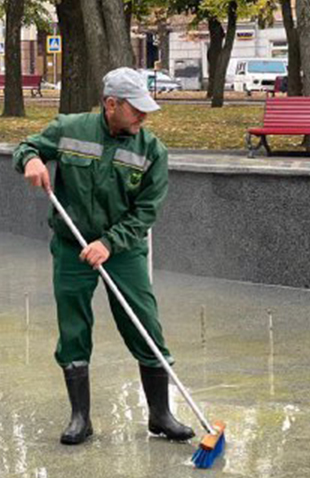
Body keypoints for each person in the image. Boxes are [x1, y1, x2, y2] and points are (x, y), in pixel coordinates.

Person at [13, 67, 193, 446]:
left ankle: (160, 414)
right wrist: (30, 161)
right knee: (73, 326)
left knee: (144, 323)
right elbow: (27, 147)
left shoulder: (151, 150)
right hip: (71, 245)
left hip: (123, 250)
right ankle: (81, 417)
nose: (144, 116)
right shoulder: (70, 129)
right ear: (111, 104)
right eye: (136, 108)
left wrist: (109, 243)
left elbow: (146, 211)